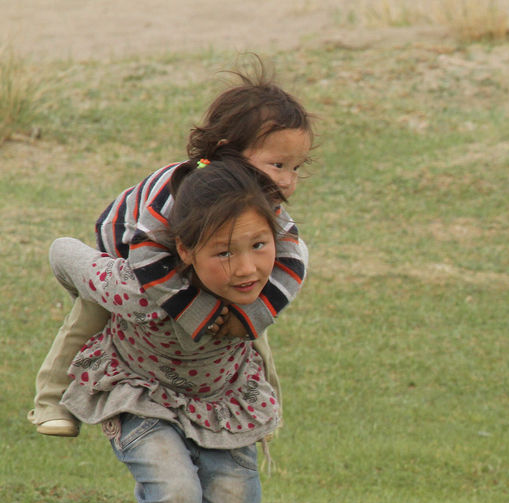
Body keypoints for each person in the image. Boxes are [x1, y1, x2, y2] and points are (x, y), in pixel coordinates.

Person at [50, 155, 307, 503]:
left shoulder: (269, 287)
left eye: (258, 246)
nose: (245, 269)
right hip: (141, 396)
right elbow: (63, 253)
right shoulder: (140, 288)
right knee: (172, 499)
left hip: (227, 408)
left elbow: (288, 249)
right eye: (223, 253)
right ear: (184, 251)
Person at [28, 58, 312, 437]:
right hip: (129, 254)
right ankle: (51, 401)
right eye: (278, 164)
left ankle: (264, 420)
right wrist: (194, 311)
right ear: (229, 151)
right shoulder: (183, 189)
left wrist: (257, 311)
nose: (289, 181)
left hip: (208, 265)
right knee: (94, 311)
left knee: (247, 322)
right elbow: (147, 251)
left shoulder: (260, 199)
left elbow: (292, 254)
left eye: (296, 168)